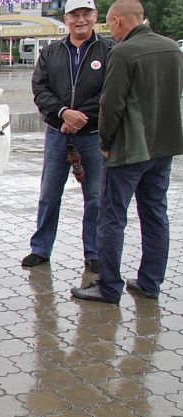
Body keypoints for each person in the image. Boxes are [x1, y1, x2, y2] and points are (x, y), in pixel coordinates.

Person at [70, 0, 183, 304]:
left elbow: (111, 105)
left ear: (118, 22)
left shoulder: (122, 52)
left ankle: (109, 287)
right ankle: (150, 282)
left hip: (129, 150)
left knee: (111, 218)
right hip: (164, 147)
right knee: (156, 214)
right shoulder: (173, 48)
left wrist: (105, 144)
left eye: (111, 25)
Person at [22, 0, 113, 273]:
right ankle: (41, 248)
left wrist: (79, 117)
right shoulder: (51, 52)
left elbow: (112, 90)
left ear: (95, 16)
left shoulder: (109, 50)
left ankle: (94, 252)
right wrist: (63, 113)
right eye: (75, 15)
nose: (81, 20)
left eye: (86, 14)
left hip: (93, 134)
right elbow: (40, 89)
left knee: (95, 196)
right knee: (49, 193)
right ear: (66, 19)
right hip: (57, 134)